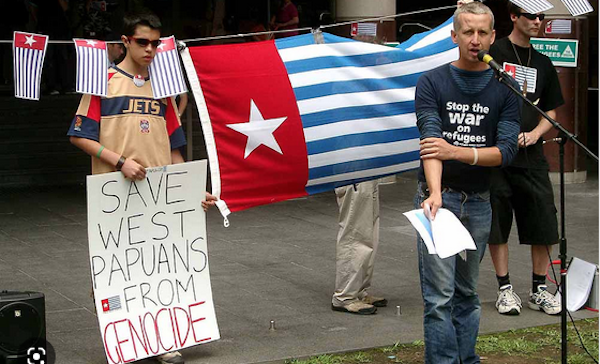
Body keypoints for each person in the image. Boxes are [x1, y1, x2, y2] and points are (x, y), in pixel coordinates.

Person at [67, 12, 189, 364]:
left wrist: (192, 188)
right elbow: (79, 135)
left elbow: (176, 146)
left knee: (160, 266)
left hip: (158, 195)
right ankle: (125, 337)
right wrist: (120, 162)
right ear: (125, 42)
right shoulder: (102, 82)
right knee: (117, 268)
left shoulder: (163, 88)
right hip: (114, 195)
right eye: (142, 42)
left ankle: (163, 339)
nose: (150, 49)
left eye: (155, 43)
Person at [414, 2, 520, 363]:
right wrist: (435, 193)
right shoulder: (433, 81)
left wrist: (456, 151)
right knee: (439, 296)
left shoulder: (506, 87)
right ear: (454, 35)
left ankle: (466, 358)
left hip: (478, 200)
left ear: (493, 36)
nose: (475, 40)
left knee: (468, 292)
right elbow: (431, 142)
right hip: (439, 199)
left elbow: (505, 151)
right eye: (468, 32)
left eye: (482, 33)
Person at [487, 3, 564, 316]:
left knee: (543, 220)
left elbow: (553, 111)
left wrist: (535, 133)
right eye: (531, 15)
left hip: (532, 156)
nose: (537, 21)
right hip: (498, 154)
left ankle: (539, 289)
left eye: (541, 16)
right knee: (497, 222)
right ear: (513, 17)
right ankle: (504, 289)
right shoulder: (494, 52)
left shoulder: (544, 62)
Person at [331, 180, 387, 315]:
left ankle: (359, 291)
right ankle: (345, 296)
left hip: (365, 170)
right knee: (354, 231)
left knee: (368, 231)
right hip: (353, 172)